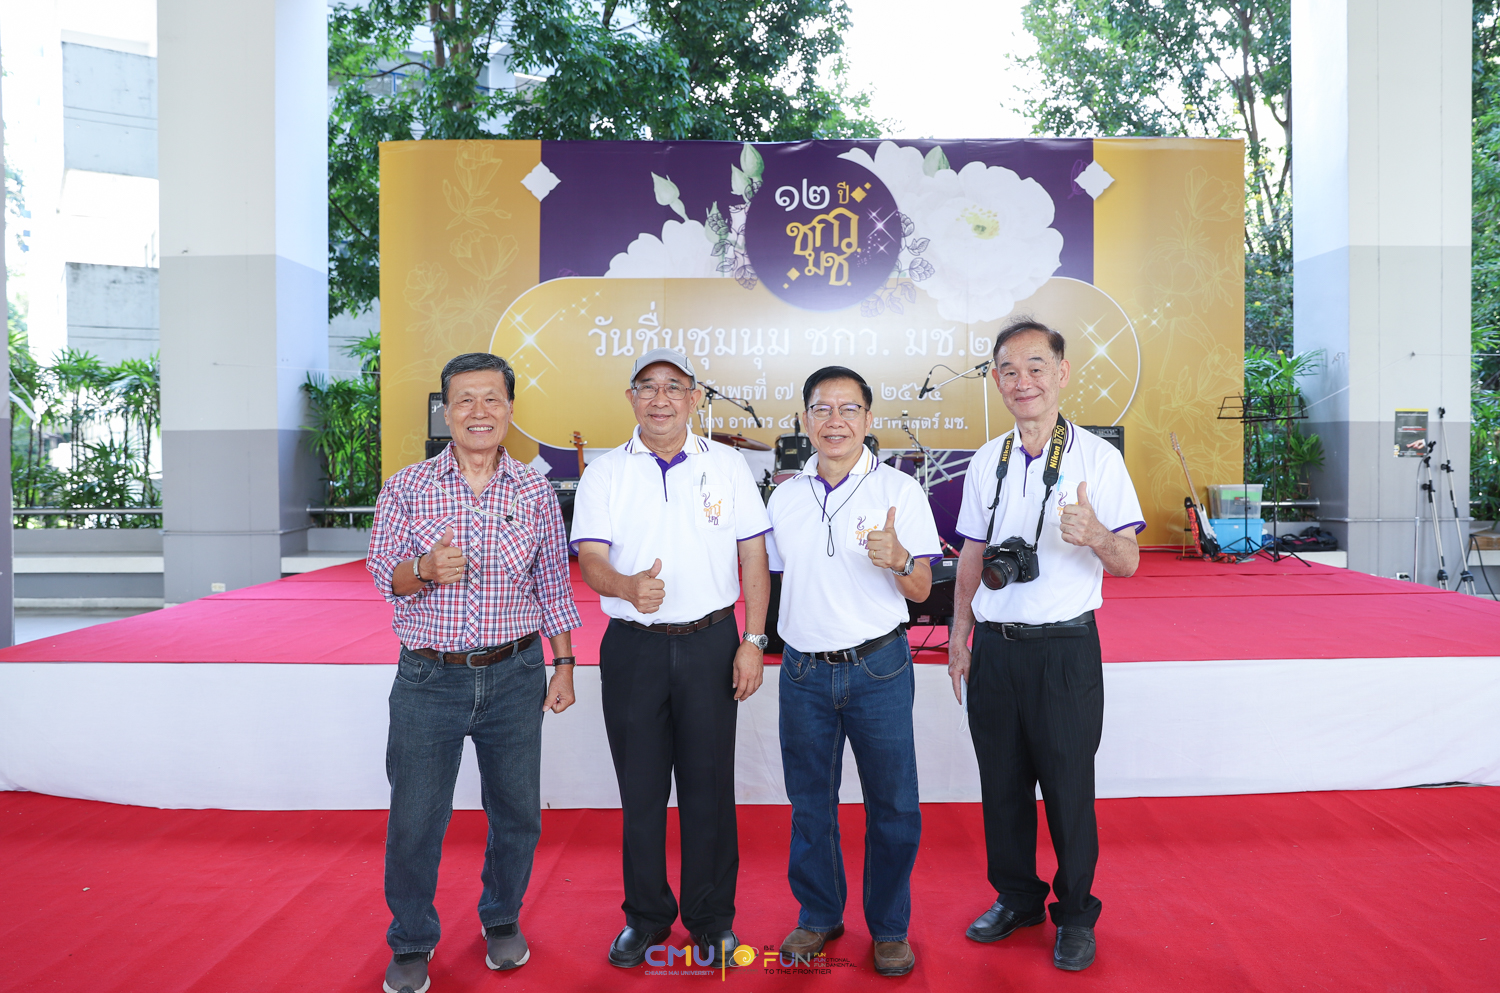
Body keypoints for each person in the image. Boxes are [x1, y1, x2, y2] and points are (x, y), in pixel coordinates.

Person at [367, 353, 582, 993]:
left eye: (492, 398)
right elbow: (384, 574)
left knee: (517, 813)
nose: (478, 411)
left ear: (510, 408)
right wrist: (424, 570)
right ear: (446, 410)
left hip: (516, 674)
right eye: (464, 399)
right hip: (429, 681)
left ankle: (502, 917)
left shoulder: (534, 491)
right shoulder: (407, 487)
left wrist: (564, 664)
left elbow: (552, 585)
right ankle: (411, 940)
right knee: (415, 818)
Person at [947, 321, 1144, 972]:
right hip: (996, 650)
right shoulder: (988, 459)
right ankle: (1017, 897)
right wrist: (959, 637)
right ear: (996, 380)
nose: (1022, 381)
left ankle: (1077, 912)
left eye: (1036, 366)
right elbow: (972, 554)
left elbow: (1129, 562)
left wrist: (1096, 535)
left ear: (1062, 373)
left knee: (1067, 788)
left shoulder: (1098, 460)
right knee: (1001, 786)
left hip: (1064, 651)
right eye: (1009, 369)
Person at [570, 347, 771, 969]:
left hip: (713, 642)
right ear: (631, 397)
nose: (661, 399)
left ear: (694, 398)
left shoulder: (728, 465)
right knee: (641, 789)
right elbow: (591, 558)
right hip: (634, 648)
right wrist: (625, 586)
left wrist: (753, 640)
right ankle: (646, 916)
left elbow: (754, 556)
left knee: (709, 788)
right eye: (648, 387)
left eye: (674, 387)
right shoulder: (606, 472)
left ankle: (711, 920)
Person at [764, 366, 942, 978]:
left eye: (848, 409)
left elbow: (923, 588)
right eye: (822, 409)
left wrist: (900, 560)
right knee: (810, 804)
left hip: (879, 670)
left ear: (868, 419)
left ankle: (890, 927)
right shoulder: (785, 496)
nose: (834, 421)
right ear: (805, 420)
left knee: (893, 805)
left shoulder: (900, 491)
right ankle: (819, 915)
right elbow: (773, 577)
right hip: (803, 674)